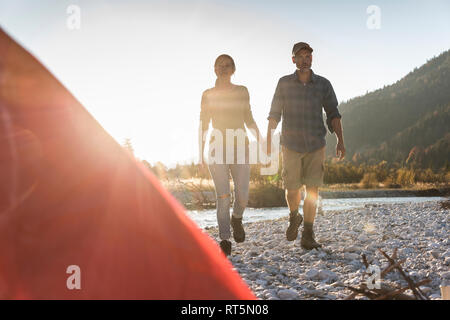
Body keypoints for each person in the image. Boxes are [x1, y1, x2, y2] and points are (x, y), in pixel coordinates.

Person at [266, 42, 345, 250]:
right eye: (300, 56)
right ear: (293, 60)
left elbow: (333, 113)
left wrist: (340, 140)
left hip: (316, 144)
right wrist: (268, 140)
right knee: (291, 188)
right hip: (290, 145)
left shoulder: (323, 84)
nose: (304, 60)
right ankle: (294, 216)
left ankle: (308, 234)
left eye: (308, 56)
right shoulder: (284, 83)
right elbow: (274, 114)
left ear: (312, 59)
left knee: (313, 189)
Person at [199, 54, 262, 256]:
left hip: (240, 147)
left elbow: (249, 119)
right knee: (223, 196)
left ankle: (237, 217)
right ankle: (225, 238)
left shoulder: (242, 91)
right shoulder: (207, 94)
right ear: (214, 70)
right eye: (219, 66)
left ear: (233, 69)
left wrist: (261, 141)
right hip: (217, 148)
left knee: (243, 194)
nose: (223, 68)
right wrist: (200, 154)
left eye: (227, 65)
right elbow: (203, 125)